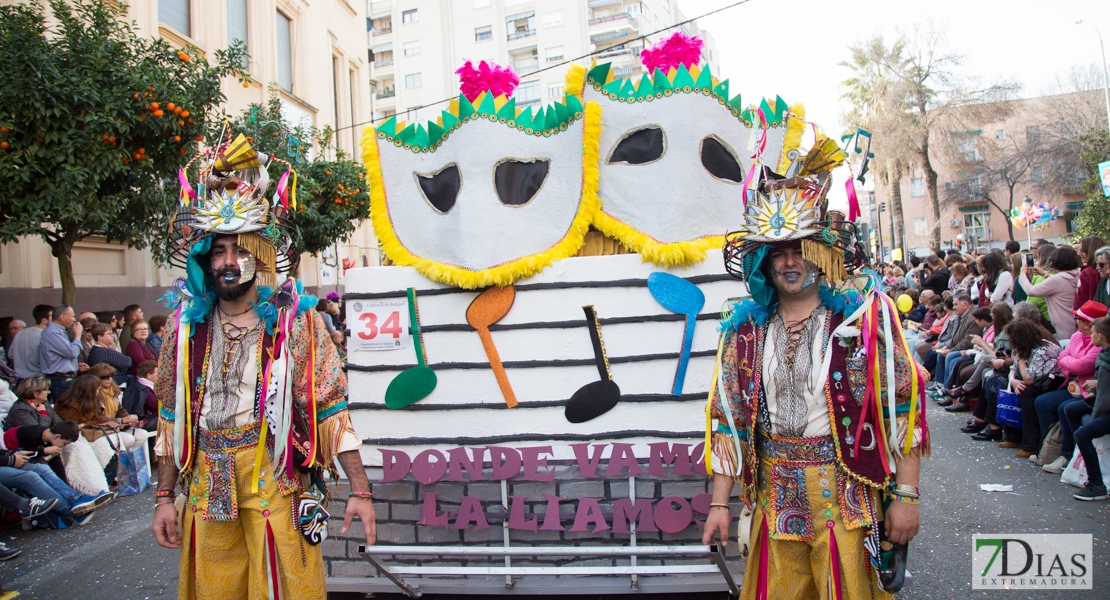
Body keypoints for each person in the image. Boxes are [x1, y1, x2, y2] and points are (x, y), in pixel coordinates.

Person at [151, 134, 376, 599]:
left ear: (263, 258)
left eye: (241, 251)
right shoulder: (185, 328)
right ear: (204, 259)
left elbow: (331, 406)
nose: (229, 262)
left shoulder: (296, 320)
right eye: (219, 251)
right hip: (205, 476)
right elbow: (170, 419)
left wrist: (361, 489)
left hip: (273, 471)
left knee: (286, 588)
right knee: (214, 590)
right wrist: (161, 498)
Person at [703, 181, 926, 599]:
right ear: (764, 264)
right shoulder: (745, 331)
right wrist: (720, 504)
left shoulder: (863, 325)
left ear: (822, 254)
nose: (789, 262)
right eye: (777, 253)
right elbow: (726, 418)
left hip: (846, 498)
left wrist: (907, 496)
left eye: (800, 249)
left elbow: (902, 407)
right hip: (774, 498)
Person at [0, 420, 114, 525]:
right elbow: (26, 452)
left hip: (9, 456)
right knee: (30, 477)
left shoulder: (47, 437)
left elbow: (56, 464)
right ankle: (70, 511)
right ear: (57, 436)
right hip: (9, 459)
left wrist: (65, 486)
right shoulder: (31, 433)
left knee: (42, 468)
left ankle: (76, 498)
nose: (63, 446)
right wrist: (11, 459)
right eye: (64, 443)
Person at [1050, 315, 1110, 500]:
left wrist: (1094, 418)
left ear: (1099, 336)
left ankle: (1096, 484)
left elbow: (1105, 399)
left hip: (1106, 408)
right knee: (1070, 409)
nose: (1090, 336)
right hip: (1103, 401)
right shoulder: (1105, 356)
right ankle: (1073, 456)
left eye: (1092, 333)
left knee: (1083, 434)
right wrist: (1097, 388)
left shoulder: (1106, 360)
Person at [1032, 301, 1105, 445]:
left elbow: (1082, 365)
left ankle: (1067, 453)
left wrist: (1071, 363)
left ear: (1088, 324)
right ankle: (1048, 446)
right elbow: (1061, 359)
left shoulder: (1099, 343)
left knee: (1066, 408)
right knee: (1042, 402)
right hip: (1072, 385)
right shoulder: (1077, 336)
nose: (1076, 322)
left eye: (1078, 319)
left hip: (1087, 391)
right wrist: (1072, 365)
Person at [1004, 318, 1063, 459]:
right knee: (1017, 388)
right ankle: (1014, 437)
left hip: (1051, 384)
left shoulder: (1044, 350)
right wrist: (1012, 380)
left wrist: (1021, 358)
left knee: (1024, 391)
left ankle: (1031, 444)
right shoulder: (1024, 348)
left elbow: (1029, 378)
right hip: (1036, 382)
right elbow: (1013, 369)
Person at [1018, 245, 1081, 339]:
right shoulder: (1076, 274)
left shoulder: (1058, 279)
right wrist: (1044, 274)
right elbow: (1061, 283)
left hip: (1064, 325)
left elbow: (1031, 291)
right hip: (1073, 321)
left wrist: (1022, 275)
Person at [38, 305, 84, 401]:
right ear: (62, 317)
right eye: (72, 316)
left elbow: (62, 356)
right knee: (65, 411)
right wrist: (78, 334)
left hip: (65, 379)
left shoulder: (60, 331)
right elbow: (72, 352)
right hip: (60, 380)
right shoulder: (52, 332)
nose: (74, 320)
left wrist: (75, 365)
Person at [10, 305, 52, 381]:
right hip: (38, 380)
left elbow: (10, 354)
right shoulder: (45, 336)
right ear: (44, 320)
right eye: (53, 317)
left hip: (20, 379)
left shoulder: (20, 334)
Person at [1075, 236, 1107, 309]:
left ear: (1090, 251)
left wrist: (1079, 319)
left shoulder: (1087, 273)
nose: (1079, 254)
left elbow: (1082, 301)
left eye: (1083, 251)